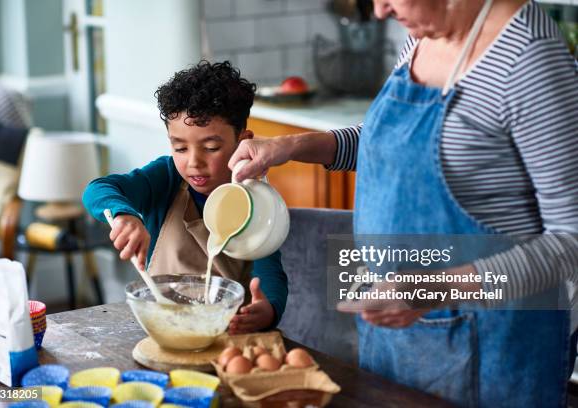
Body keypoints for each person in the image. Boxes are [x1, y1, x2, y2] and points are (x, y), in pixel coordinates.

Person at [229, 0, 578, 406]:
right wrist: (290, 146)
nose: (379, 12)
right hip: (400, 332)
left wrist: (431, 288)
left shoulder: (531, 60)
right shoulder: (424, 37)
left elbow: (570, 244)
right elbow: (390, 146)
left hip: (494, 348)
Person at [83, 61, 287, 334]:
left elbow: (270, 274)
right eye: (179, 147)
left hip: (227, 336)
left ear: (243, 141)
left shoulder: (257, 203)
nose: (194, 163)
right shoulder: (165, 178)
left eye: (211, 147)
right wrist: (124, 215)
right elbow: (97, 189)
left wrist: (268, 309)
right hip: (164, 328)